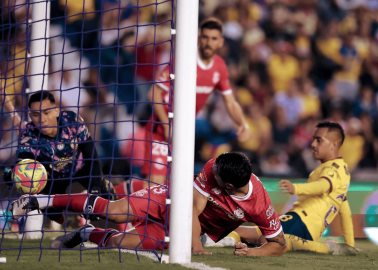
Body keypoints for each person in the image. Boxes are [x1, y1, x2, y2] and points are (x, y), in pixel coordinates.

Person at [10, 152, 286, 256]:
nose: (210, 170)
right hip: (169, 200)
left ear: (228, 186)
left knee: (120, 244)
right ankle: (40, 199)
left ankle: (85, 233)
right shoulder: (216, 165)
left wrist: (253, 253)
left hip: (181, 228)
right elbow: (193, 209)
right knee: (115, 211)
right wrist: (197, 246)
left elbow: (278, 243)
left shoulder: (259, 204)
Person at [143, 17, 251, 186]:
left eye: (214, 39)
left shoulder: (219, 67)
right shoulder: (184, 61)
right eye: (205, 37)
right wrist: (166, 125)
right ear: (200, 39)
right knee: (155, 185)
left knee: (175, 186)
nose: (209, 43)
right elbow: (153, 94)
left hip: (184, 133)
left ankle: (121, 190)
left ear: (221, 42)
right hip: (160, 130)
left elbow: (230, 102)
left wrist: (242, 124)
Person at [232, 121, 358, 256]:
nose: (313, 144)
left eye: (319, 140)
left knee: (267, 238)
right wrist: (350, 244)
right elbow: (344, 208)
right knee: (247, 232)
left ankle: (318, 247)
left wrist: (295, 188)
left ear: (334, 144)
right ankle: (221, 240)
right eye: (313, 139)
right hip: (302, 222)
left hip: (303, 221)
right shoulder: (341, 171)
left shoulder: (333, 169)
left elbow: (322, 186)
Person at [4, 90, 113, 222]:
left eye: (46, 112)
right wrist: (12, 175)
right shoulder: (29, 135)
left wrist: (95, 190)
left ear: (56, 110)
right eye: (36, 114)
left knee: (105, 195)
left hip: (81, 169)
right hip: (53, 178)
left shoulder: (72, 120)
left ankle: (91, 197)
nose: (42, 119)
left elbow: (91, 155)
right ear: (30, 116)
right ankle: (71, 220)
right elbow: (23, 163)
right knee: (53, 213)